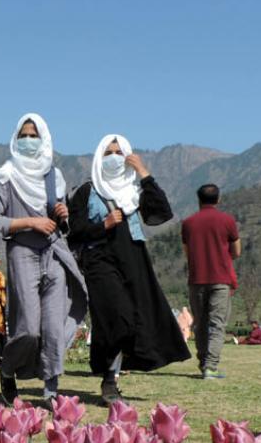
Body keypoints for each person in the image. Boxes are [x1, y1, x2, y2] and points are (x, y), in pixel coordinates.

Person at [68, 134, 189, 404]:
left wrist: (144, 173)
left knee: (135, 319)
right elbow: (74, 232)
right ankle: (109, 378)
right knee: (118, 318)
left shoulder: (134, 191)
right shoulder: (87, 191)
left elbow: (162, 213)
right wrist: (104, 225)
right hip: (100, 261)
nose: (113, 157)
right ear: (99, 157)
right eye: (108, 152)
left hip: (133, 259)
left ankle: (111, 379)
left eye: (119, 152)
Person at [0, 113, 88, 401]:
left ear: (44, 139)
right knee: (29, 328)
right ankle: (7, 369)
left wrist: (62, 215)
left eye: (34, 135)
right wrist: (30, 222)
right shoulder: (5, 177)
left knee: (53, 326)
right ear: (15, 140)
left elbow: (62, 223)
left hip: (54, 251)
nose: (29, 140)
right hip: (22, 252)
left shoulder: (54, 177)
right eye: (24, 135)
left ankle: (50, 390)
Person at [181, 183, 241, 379]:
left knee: (200, 323)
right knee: (217, 323)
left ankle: (203, 363)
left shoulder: (188, 223)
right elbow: (237, 251)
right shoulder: (227, 221)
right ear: (218, 199)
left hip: (197, 278)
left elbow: (187, 253)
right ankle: (211, 366)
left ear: (198, 199)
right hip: (220, 279)